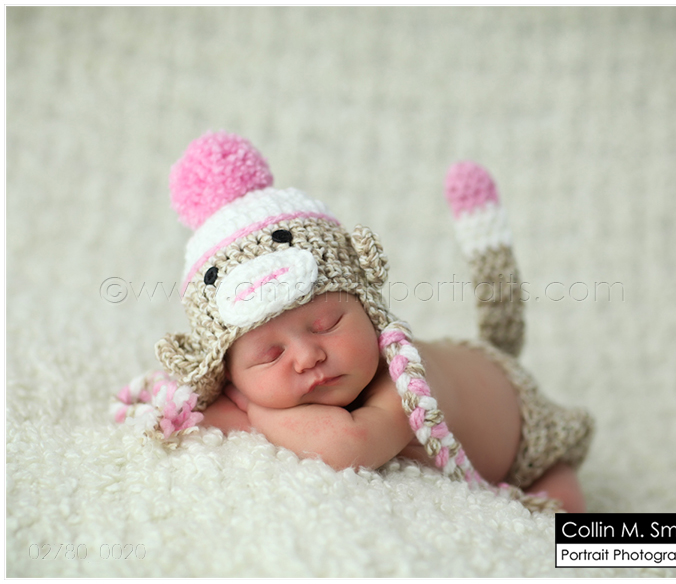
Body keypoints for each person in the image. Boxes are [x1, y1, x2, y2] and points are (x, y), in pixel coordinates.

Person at [121, 131, 593, 513]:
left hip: (518, 416)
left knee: (564, 512)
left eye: (327, 324)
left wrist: (255, 409)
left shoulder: (402, 380)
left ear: (368, 309)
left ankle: (618, 550)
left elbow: (348, 444)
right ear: (227, 372)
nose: (308, 356)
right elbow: (206, 416)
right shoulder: (258, 381)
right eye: (270, 354)